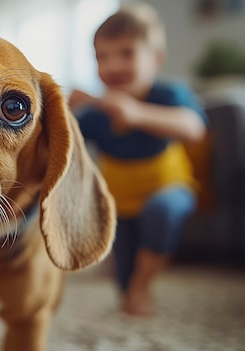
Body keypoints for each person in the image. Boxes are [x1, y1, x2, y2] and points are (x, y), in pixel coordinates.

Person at [68, 3, 207, 316]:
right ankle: (125, 277)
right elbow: (64, 141)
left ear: (156, 58)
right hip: (120, 205)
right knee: (122, 281)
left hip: (170, 188)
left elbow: (194, 128)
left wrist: (137, 113)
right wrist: (65, 110)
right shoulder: (97, 113)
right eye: (103, 56)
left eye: (127, 53)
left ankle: (142, 288)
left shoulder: (167, 95)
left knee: (161, 211)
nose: (113, 65)